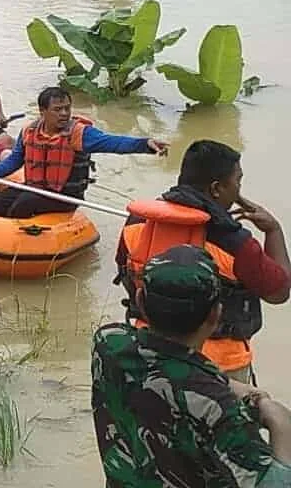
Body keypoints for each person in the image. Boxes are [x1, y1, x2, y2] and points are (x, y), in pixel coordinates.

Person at [92, 244, 291, 488]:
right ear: (216, 315)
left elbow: (172, 368)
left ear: (140, 300)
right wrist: (281, 424)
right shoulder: (221, 413)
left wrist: (239, 391)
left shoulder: (108, 344)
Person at [116, 140, 290, 383]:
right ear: (217, 188)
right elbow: (279, 292)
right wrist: (274, 230)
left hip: (149, 352)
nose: (239, 191)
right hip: (220, 367)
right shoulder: (236, 244)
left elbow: (125, 272)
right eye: (238, 181)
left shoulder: (138, 222)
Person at [0, 87, 168, 218]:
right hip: (34, 188)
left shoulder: (80, 133)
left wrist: (145, 144)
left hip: (64, 197)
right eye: (57, 109)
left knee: (24, 204)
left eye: (67, 108)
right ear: (42, 111)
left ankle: (20, 236)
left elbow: (114, 143)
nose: (64, 113)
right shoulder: (29, 131)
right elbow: (14, 161)